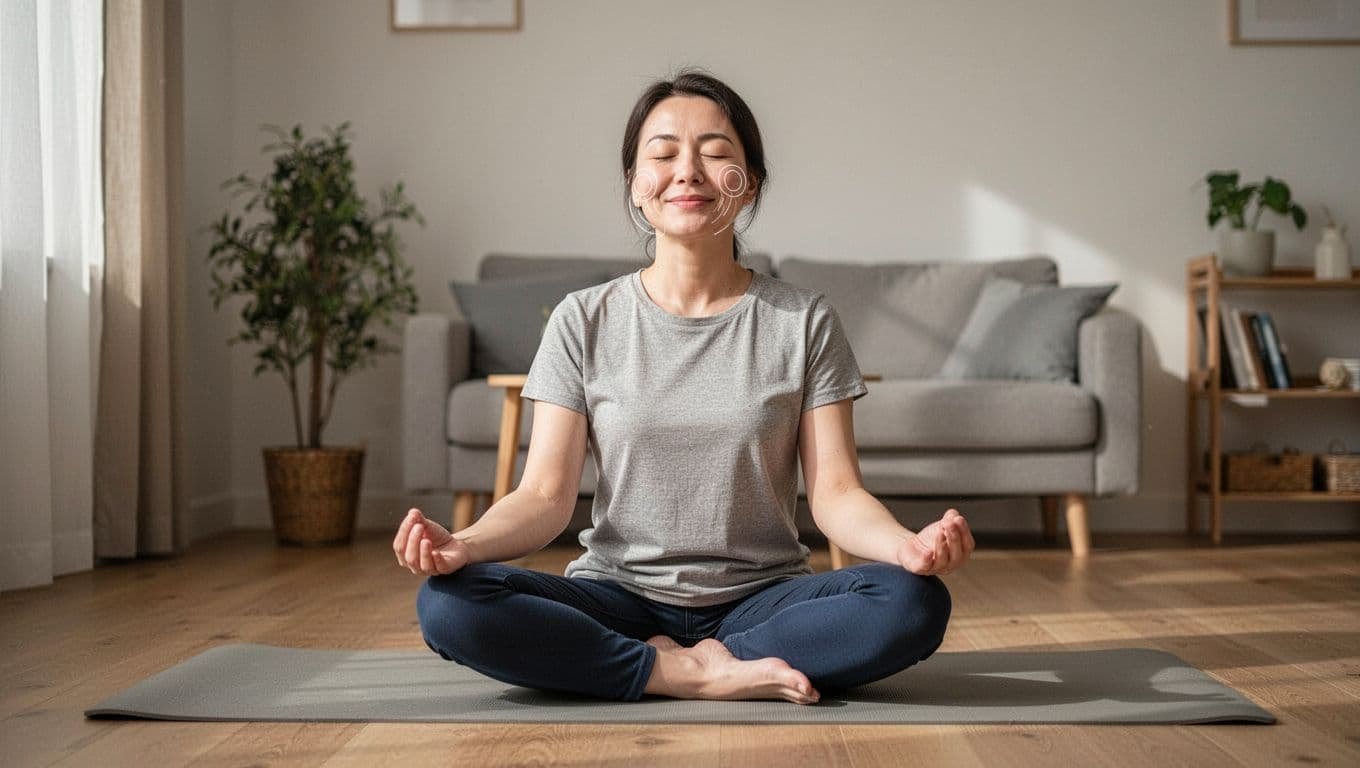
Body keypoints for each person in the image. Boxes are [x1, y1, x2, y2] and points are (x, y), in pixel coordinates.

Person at [394, 69, 974, 705]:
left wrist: (907, 546)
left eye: (717, 152)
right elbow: (543, 496)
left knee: (912, 602)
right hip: (617, 597)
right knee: (450, 604)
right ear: (635, 185)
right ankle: (688, 673)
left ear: (749, 184)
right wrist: (462, 545)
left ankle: (668, 665)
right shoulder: (583, 319)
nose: (689, 171)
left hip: (762, 600)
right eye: (664, 153)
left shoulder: (804, 320)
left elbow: (836, 494)